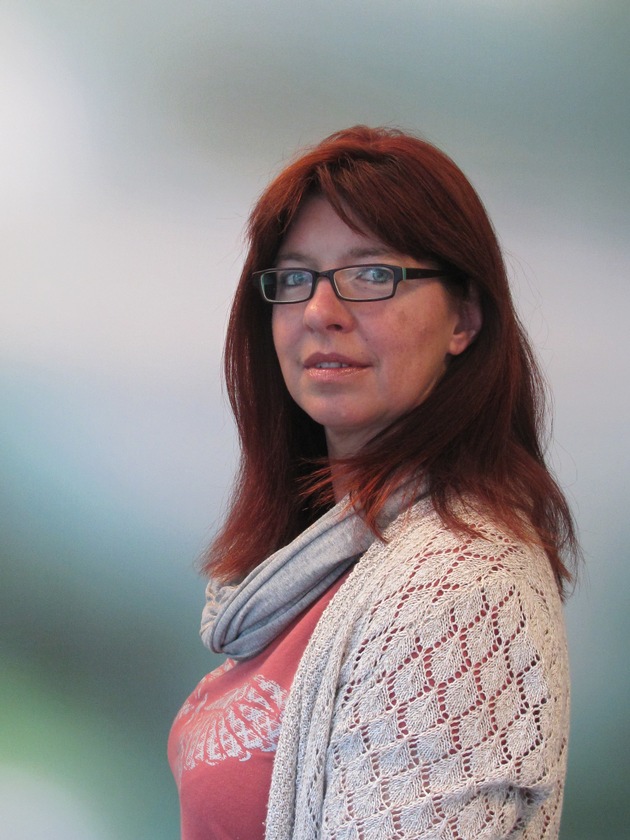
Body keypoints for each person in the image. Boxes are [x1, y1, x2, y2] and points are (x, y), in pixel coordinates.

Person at [168, 126, 578, 839]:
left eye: (370, 274)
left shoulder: (461, 584)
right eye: (294, 278)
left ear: (465, 317)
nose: (319, 312)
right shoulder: (315, 561)